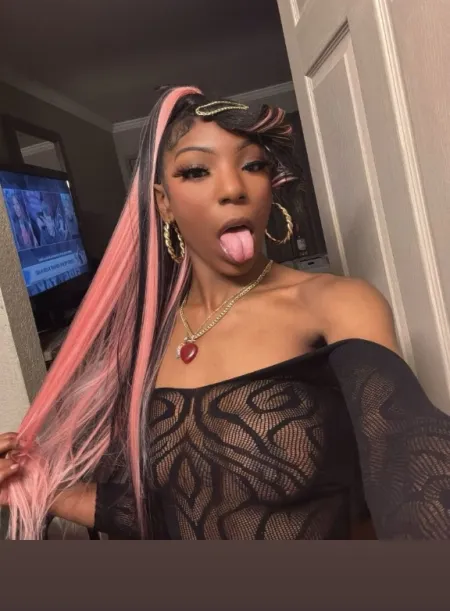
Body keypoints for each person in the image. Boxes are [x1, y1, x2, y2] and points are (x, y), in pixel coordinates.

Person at [1, 85, 450, 541]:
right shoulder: (142, 339)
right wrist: (41, 488)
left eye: (253, 166)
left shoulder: (338, 304)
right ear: (163, 202)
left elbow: (411, 463)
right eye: (197, 171)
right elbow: (178, 511)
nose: (234, 189)